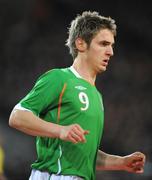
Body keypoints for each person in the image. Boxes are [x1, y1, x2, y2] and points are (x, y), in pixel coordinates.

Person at [9, 11, 146, 180]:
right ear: (81, 44)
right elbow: (17, 116)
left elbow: (83, 153)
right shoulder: (59, 78)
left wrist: (120, 162)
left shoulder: (96, 95)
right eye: (103, 44)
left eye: (111, 45)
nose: (110, 51)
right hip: (55, 175)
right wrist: (60, 130)